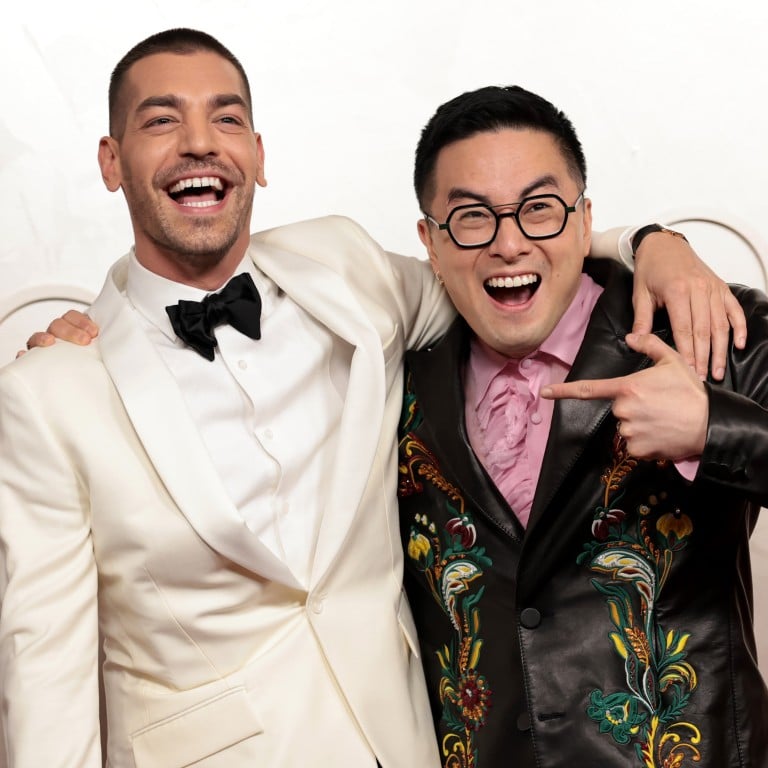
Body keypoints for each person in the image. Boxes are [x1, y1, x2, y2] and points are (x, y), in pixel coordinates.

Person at [0, 28, 747, 768]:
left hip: (403, 745)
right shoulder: (55, 391)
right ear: (110, 160)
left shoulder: (345, 269)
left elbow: (497, 266)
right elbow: (45, 674)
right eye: (161, 120)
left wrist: (652, 242)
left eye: (226, 117)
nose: (200, 142)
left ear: (258, 156)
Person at [397, 84, 768, 768]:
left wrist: (715, 427)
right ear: (430, 240)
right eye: (473, 218)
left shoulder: (704, 326)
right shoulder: (394, 376)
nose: (509, 244)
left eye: (539, 209)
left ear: (583, 217)